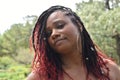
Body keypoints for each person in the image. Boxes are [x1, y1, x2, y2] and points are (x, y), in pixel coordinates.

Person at [27, 5, 120, 80]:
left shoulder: (110, 70)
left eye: (60, 26)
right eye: (48, 33)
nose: (54, 34)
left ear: (78, 25)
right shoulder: (41, 77)